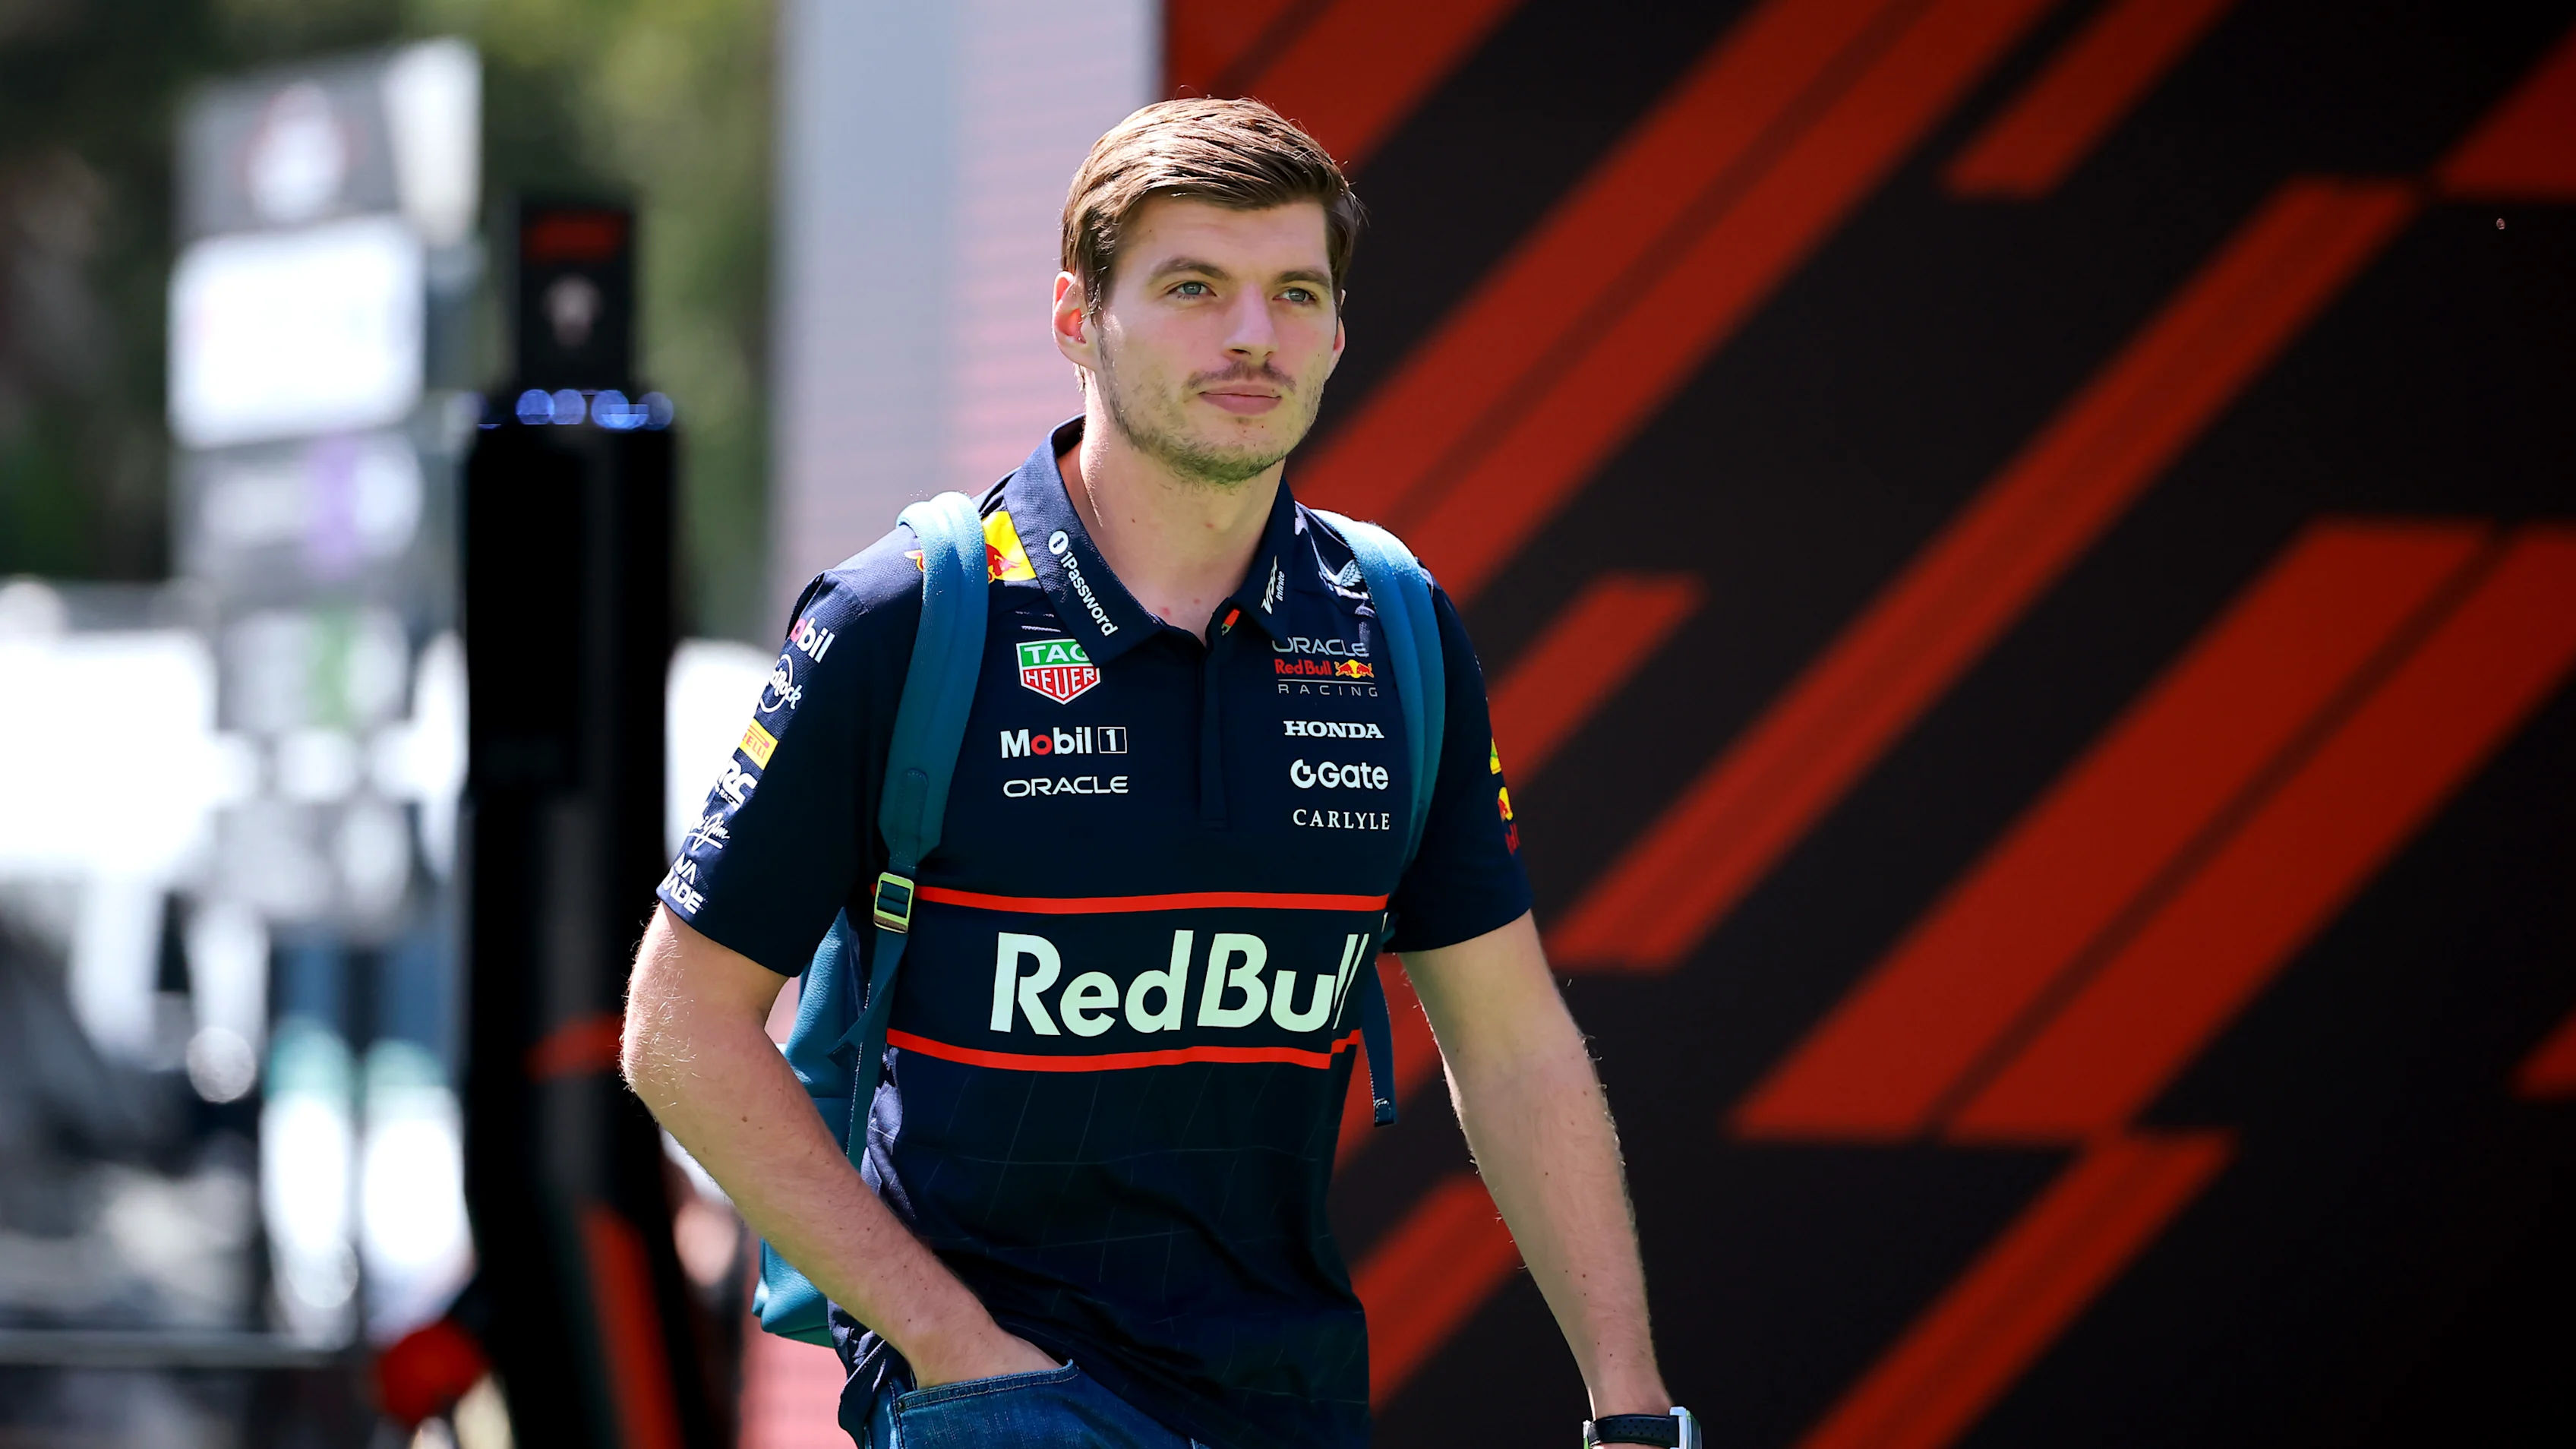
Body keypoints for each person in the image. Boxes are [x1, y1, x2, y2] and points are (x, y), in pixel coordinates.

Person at [623, 98, 1686, 1449]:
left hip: (1292, 1402)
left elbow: (1511, 1037)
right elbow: (679, 1028)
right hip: (989, 1406)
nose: (1253, 335)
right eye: (1193, 288)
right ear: (1077, 317)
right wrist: (956, 1349)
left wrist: (1629, 1399)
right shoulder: (907, 615)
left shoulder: (1391, 624)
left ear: (1340, 334)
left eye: (1295, 292)